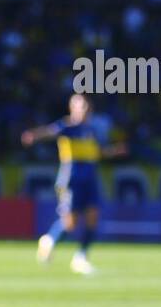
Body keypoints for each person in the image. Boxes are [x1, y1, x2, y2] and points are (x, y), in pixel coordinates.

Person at [22, 92, 125, 274]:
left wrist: (113, 151)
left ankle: (81, 257)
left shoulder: (91, 130)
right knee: (70, 223)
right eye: (81, 106)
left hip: (91, 178)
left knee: (93, 217)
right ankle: (49, 240)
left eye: (87, 106)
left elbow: (97, 152)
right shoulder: (68, 126)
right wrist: (34, 135)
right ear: (73, 108)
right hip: (72, 179)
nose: (85, 109)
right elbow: (50, 132)